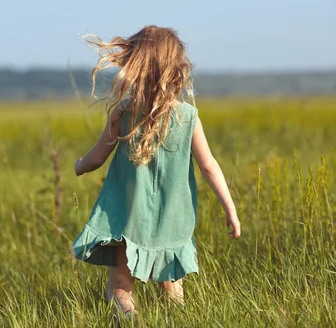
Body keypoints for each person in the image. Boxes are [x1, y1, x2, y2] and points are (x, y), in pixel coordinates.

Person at [71, 25, 240, 318]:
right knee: (172, 288)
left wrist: (79, 165)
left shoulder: (124, 112)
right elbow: (209, 166)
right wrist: (230, 208)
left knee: (120, 285)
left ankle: (129, 318)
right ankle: (178, 321)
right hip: (172, 220)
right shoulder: (188, 117)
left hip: (127, 218)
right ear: (176, 68)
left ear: (134, 65)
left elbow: (96, 158)